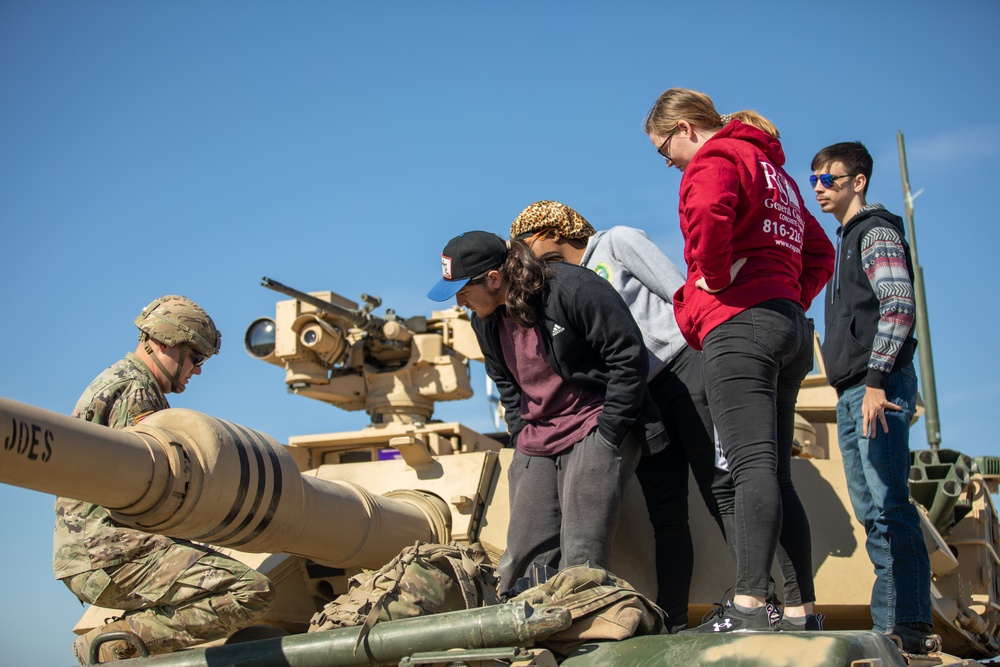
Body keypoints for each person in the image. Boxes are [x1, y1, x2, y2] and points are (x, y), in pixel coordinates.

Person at [643, 88, 835, 632]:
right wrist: (789, 293)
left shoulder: (715, 158)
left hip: (739, 326)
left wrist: (718, 277)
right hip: (787, 325)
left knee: (748, 469)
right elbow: (820, 252)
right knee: (776, 474)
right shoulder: (776, 174)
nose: (668, 163)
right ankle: (799, 611)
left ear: (683, 128)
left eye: (664, 150)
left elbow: (706, 209)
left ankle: (750, 605)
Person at [508, 199, 735, 631]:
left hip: (683, 368)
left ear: (549, 232)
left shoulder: (617, 242)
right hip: (638, 395)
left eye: (523, 242)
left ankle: (758, 599)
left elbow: (681, 293)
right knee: (666, 517)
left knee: (719, 488)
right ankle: (675, 621)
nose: (520, 254)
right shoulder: (556, 287)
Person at [427, 231, 666, 597]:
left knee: (581, 555)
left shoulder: (572, 289)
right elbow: (506, 383)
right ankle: (526, 640)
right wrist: (520, 434)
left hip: (593, 424)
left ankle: (585, 636)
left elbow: (627, 356)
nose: (459, 302)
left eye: (462, 291)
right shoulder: (484, 321)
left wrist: (609, 432)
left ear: (494, 279)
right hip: (536, 437)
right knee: (519, 559)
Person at [54, 295, 274, 663]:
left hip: (96, 549)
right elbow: (147, 489)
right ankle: (114, 645)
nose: (198, 369)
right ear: (163, 343)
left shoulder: (124, 382)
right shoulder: (136, 392)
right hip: (111, 548)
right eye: (196, 357)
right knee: (249, 592)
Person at [810, 141, 936, 653]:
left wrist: (878, 381)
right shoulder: (845, 240)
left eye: (830, 179)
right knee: (871, 512)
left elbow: (899, 306)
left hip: (874, 388)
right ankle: (895, 624)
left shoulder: (875, 232)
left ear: (858, 181)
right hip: (851, 389)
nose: (819, 187)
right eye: (814, 178)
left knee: (889, 506)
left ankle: (906, 626)